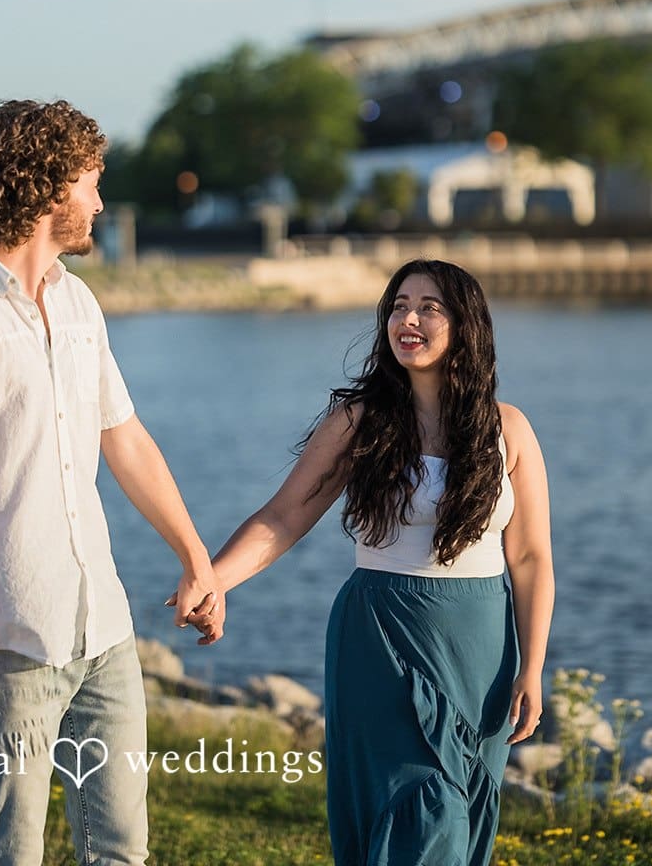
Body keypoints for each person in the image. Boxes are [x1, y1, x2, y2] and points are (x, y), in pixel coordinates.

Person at [0, 98, 224, 866]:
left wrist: (194, 556)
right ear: (45, 187)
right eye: (92, 182)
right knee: (9, 856)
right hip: (5, 640)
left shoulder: (78, 302)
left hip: (101, 630)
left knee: (122, 852)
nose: (100, 202)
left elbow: (125, 439)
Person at [192, 257, 553, 866]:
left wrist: (532, 666)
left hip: (483, 649)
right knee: (421, 806)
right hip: (382, 636)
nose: (407, 319)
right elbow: (283, 517)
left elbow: (532, 558)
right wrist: (212, 580)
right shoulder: (360, 422)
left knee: (464, 815)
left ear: (466, 326)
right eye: (398, 306)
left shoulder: (508, 429)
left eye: (428, 308)